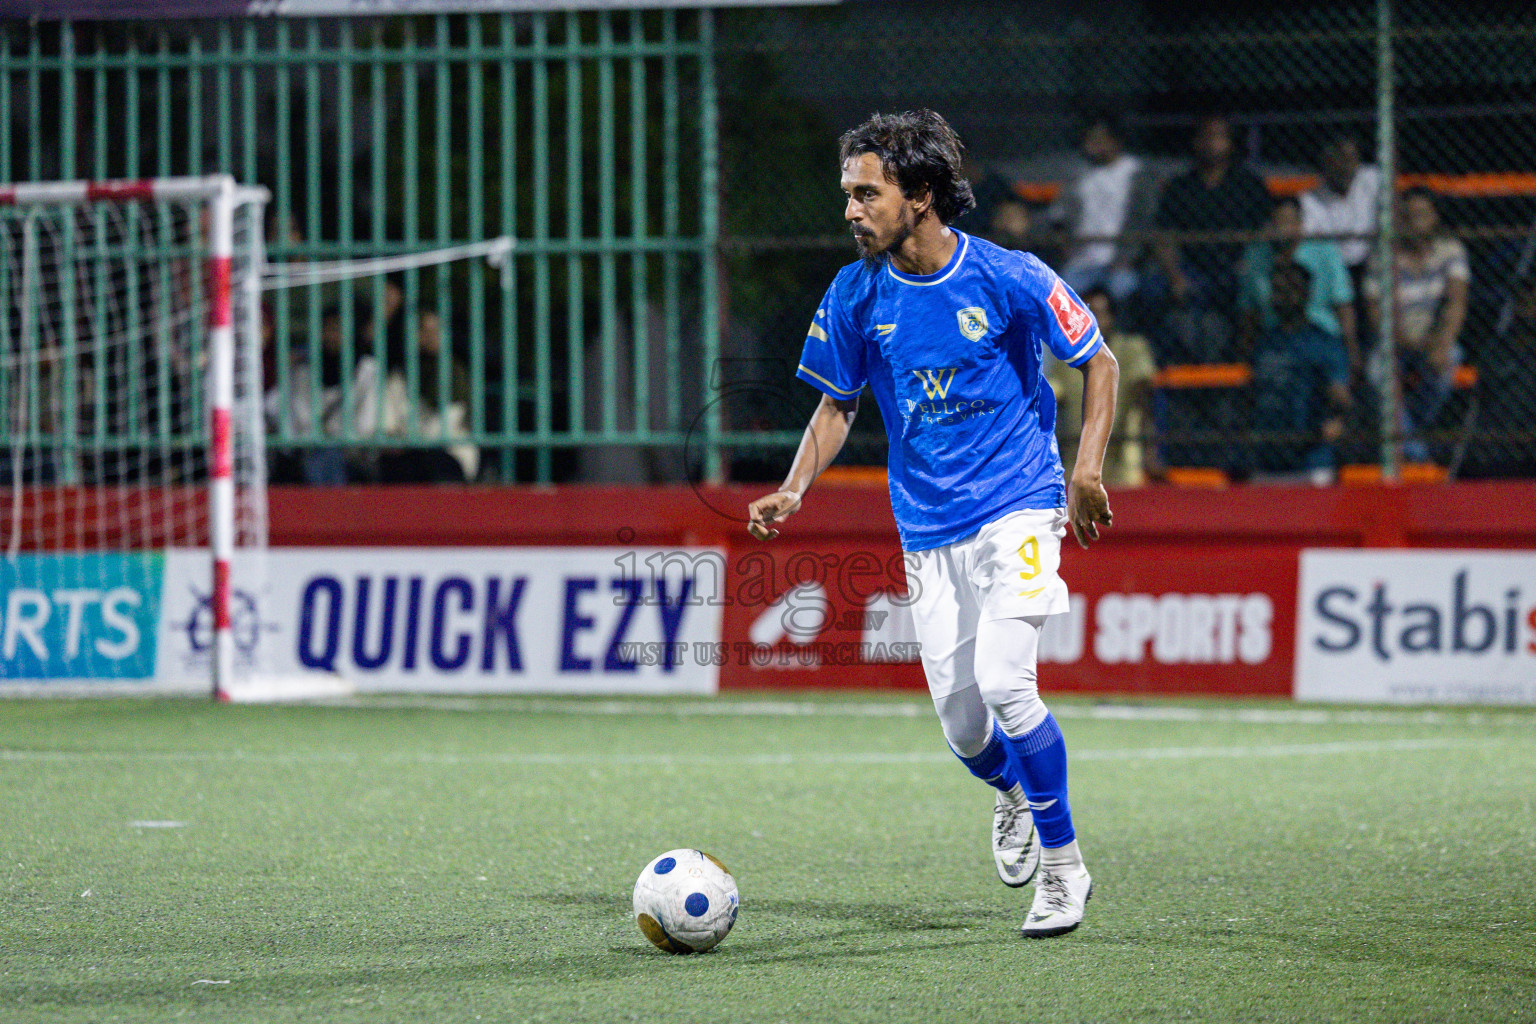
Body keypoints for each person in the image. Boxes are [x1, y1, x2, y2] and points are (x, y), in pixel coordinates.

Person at [746, 110, 1118, 939]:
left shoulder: (1010, 277)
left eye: (865, 193)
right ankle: (1014, 793)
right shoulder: (854, 294)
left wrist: (1087, 469)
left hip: (1019, 503)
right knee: (960, 723)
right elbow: (837, 405)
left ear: (918, 196)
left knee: (1006, 683)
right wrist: (794, 486)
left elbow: (1099, 360)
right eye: (847, 193)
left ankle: (1065, 871)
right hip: (927, 527)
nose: (850, 209)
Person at [1152, 114, 1273, 362]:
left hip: (1236, 269)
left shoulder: (1248, 185)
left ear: (1230, 142)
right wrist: (1176, 276)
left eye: (1218, 136)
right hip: (1190, 269)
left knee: (1251, 287)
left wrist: (1250, 262)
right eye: (1205, 136)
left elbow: (1266, 230)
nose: (1211, 143)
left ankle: (1244, 360)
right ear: (1196, 142)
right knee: (1151, 286)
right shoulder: (1180, 187)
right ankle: (1164, 365)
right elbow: (1163, 236)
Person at [1363, 187, 1470, 462]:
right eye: (1408, 215)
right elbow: (1376, 313)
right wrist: (1405, 342)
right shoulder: (1383, 255)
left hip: (1432, 336)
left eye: (1421, 214)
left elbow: (1456, 302)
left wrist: (1441, 342)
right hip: (1396, 339)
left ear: (1435, 217)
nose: (1414, 221)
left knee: (1452, 357)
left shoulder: (1450, 249)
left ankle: (1408, 436)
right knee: (1377, 371)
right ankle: (1417, 453)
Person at [1248, 262, 1353, 478]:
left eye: (1290, 289)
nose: (1283, 297)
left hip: (1311, 462)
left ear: (1306, 293)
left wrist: (1335, 418)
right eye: (1277, 290)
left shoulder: (1323, 343)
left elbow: (1340, 395)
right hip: (1268, 460)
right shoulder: (1264, 342)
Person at [1050, 288, 1157, 486]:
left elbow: (1145, 400)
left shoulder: (1132, 348)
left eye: (1100, 313)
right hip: (1078, 462)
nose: (1093, 320)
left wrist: (1151, 450)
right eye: (1087, 313)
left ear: (1113, 317)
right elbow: (1050, 395)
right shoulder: (1066, 358)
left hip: (1123, 462)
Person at [1049, 112, 1158, 304]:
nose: (1091, 145)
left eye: (1099, 139)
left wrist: (1129, 258)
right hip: (1080, 260)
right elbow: (1058, 216)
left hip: (1122, 262)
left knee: (1123, 287)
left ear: (1116, 141)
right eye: (1089, 139)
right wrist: (1066, 252)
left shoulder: (1136, 173)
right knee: (1059, 297)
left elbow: (1145, 218)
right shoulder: (1078, 174)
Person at [1238, 195, 1356, 367]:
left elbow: (1343, 304)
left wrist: (1351, 348)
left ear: (1300, 224)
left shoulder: (1324, 251)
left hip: (1320, 334)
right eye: (1276, 222)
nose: (1282, 229)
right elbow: (1248, 311)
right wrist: (1245, 350)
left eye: (1288, 222)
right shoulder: (1255, 255)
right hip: (1274, 338)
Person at [1300, 133, 1380, 304]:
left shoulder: (1373, 180)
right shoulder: (1310, 201)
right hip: (1337, 271)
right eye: (1338, 159)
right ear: (1325, 163)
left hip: (1373, 263)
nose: (1345, 166)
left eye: (1351, 159)